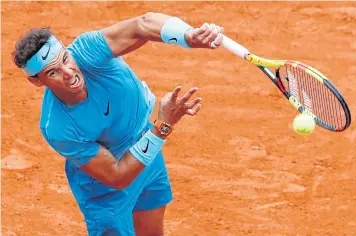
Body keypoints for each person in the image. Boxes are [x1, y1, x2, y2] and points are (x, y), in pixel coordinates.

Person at [12, 12, 223, 236]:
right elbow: (117, 176)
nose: (68, 73)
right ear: (36, 81)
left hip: (145, 148)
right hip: (105, 189)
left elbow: (142, 25)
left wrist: (187, 36)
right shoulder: (57, 127)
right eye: (52, 72)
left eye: (65, 58)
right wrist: (163, 126)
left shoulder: (86, 51)